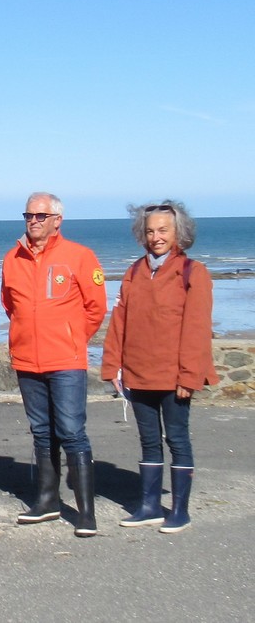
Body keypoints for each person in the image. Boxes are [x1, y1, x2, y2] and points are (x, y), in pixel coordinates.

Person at [101, 201, 218, 533]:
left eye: (163, 230)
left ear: (178, 232)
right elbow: (119, 322)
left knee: (177, 439)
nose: (156, 237)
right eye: (150, 230)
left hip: (174, 376)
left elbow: (197, 329)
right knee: (148, 441)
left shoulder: (193, 272)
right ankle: (150, 506)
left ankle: (180, 510)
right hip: (138, 373)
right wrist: (112, 367)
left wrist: (189, 375)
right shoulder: (135, 271)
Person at [1, 192, 107, 537]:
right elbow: (10, 305)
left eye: (41, 215)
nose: (33, 220)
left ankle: (85, 512)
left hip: (66, 360)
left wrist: (72, 337)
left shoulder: (80, 256)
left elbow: (96, 307)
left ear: (57, 220)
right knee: (42, 432)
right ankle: (47, 500)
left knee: (72, 431)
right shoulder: (12, 258)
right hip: (27, 360)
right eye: (29, 215)